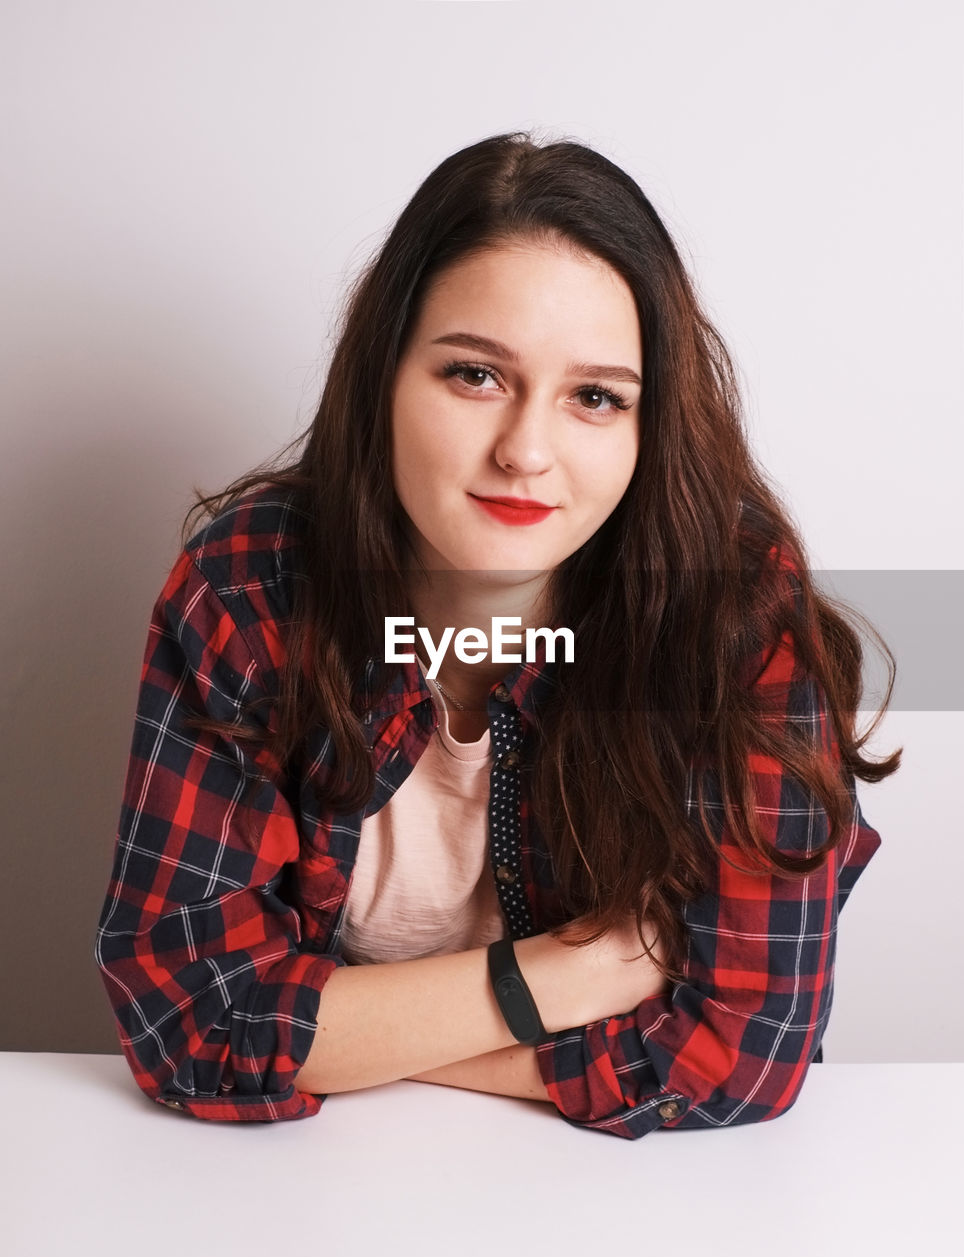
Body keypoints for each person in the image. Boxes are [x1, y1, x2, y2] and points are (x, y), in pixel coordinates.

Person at [93, 131, 900, 1138]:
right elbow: (185, 1017)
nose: (525, 449)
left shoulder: (730, 610)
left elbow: (741, 1051)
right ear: (384, 374)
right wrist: (558, 978)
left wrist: (350, 1037)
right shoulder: (250, 588)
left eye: (595, 397)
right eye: (475, 374)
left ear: (648, 429)